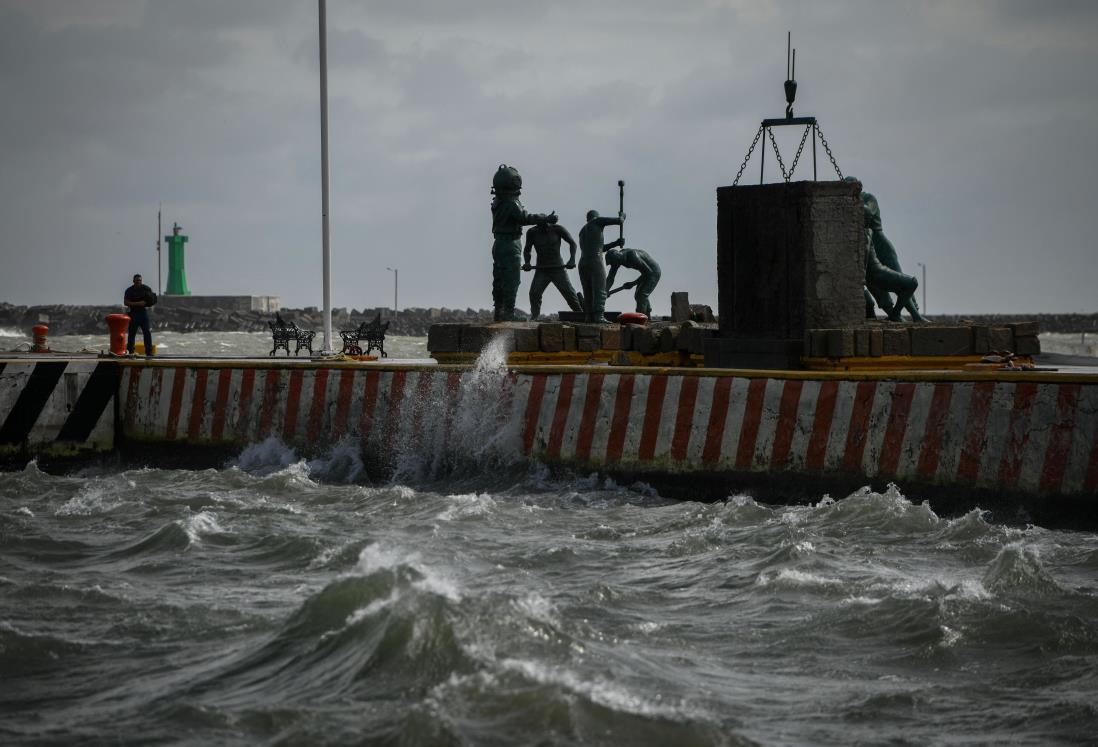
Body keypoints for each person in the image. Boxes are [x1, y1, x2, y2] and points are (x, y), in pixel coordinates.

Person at [846, 176, 926, 322]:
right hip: (866, 244)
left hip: (879, 243)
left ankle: (915, 314)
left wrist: (850, 203)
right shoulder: (849, 207)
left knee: (897, 276)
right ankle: (894, 314)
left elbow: (868, 212)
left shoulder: (868, 198)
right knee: (874, 283)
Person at [490, 165, 558, 321]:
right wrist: (545, 218)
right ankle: (508, 313)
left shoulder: (497, 202)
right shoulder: (512, 203)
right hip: (510, 243)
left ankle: (498, 312)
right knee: (512, 279)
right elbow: (524, 218)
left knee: (499, 278)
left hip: (498, 243)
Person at [522, 220, 583, 320]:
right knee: (534, 293)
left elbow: (572, 243)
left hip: (557, 268)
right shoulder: (532, 232)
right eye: (541, 227)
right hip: (542, 269)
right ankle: (535, 316)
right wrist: (527, 262)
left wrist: (572, 259)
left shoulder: (558, 229)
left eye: (546, 226)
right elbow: (527, 249)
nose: (545, 229)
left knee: (569, 293)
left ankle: (580, 314)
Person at [577, 209, 625, 323]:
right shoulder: (597, 221)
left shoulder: (582, 231)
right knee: (599, 290)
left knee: (587, 290)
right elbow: (619, 221)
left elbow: (600, 247)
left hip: (583, 262)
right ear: (596, 217)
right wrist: (622, 216)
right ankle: (599, 316)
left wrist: (616, 243)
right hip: (595, 261)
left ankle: (588, 316)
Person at [605, 247, 661, 318]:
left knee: (641, 295)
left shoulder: (632, 256)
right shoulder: (617, 260)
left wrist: (633, 283)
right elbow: (610, 277)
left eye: (613, 263)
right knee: (639, 295)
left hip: (654, 272)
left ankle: (641, 318)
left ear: (618, 259)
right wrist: (605, 291)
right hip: (646, 272)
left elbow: (648, 272)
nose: (613, 265)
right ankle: (647, 316)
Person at [123, 273, 156, 355]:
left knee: (147, 332)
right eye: (137, 280)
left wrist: (134, 303)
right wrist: (138, 303)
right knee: (132, 333)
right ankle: (130, 351)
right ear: (133, 281)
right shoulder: (129, 290)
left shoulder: (146, 289)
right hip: (133, 313)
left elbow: (149, 300)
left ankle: (149, 352)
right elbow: (126, 302)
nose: (138, 282)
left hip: (143, 313)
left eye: (140, 280)